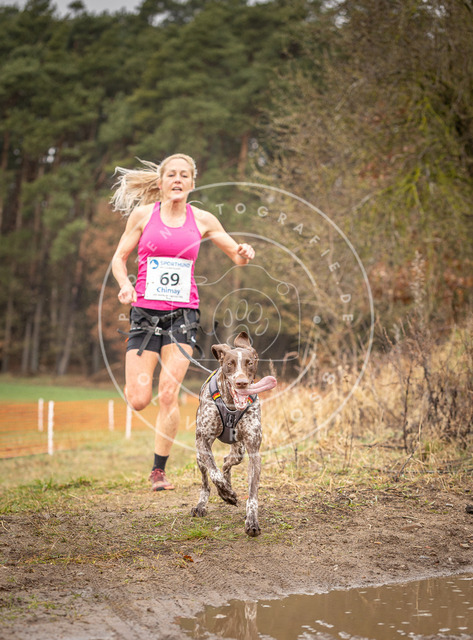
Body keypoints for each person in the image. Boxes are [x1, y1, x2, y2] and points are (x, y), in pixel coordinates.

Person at [111, 154, 255, 491]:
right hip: (144, 314)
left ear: (192, 183)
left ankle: (158, 471)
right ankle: (139, 393)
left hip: (183, 316)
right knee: (138, 399)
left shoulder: (202, 219)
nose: (178, 179)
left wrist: (245, 252)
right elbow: (119, 258)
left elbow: (236, 256)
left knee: (167, 393)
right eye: (171, 175)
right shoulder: (143, 215)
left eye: (184, 175)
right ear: (161, 182)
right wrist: (125, 285)